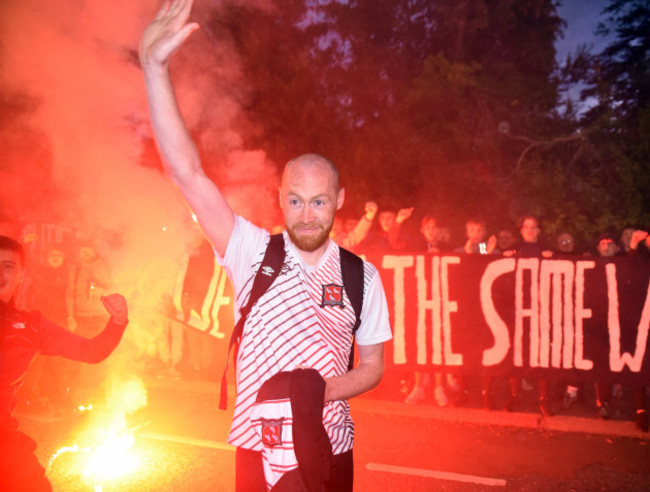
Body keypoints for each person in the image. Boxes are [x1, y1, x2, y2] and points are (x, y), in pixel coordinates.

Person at [139, 2, 392, 490]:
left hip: (331, 448)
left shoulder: (363, 277)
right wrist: (154, 67)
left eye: (319, 201)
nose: (306, 214)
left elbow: (375, 367)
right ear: (280, 197)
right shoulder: (252, 251)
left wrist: (310, 394)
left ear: (339, 200)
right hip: (257, 450)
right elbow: (188, 175)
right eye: (295, 200)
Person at [0, 236, 129, 492]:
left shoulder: (30, 326)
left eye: (8, 266)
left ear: (21, 276)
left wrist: (117, 322)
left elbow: (92, 351)